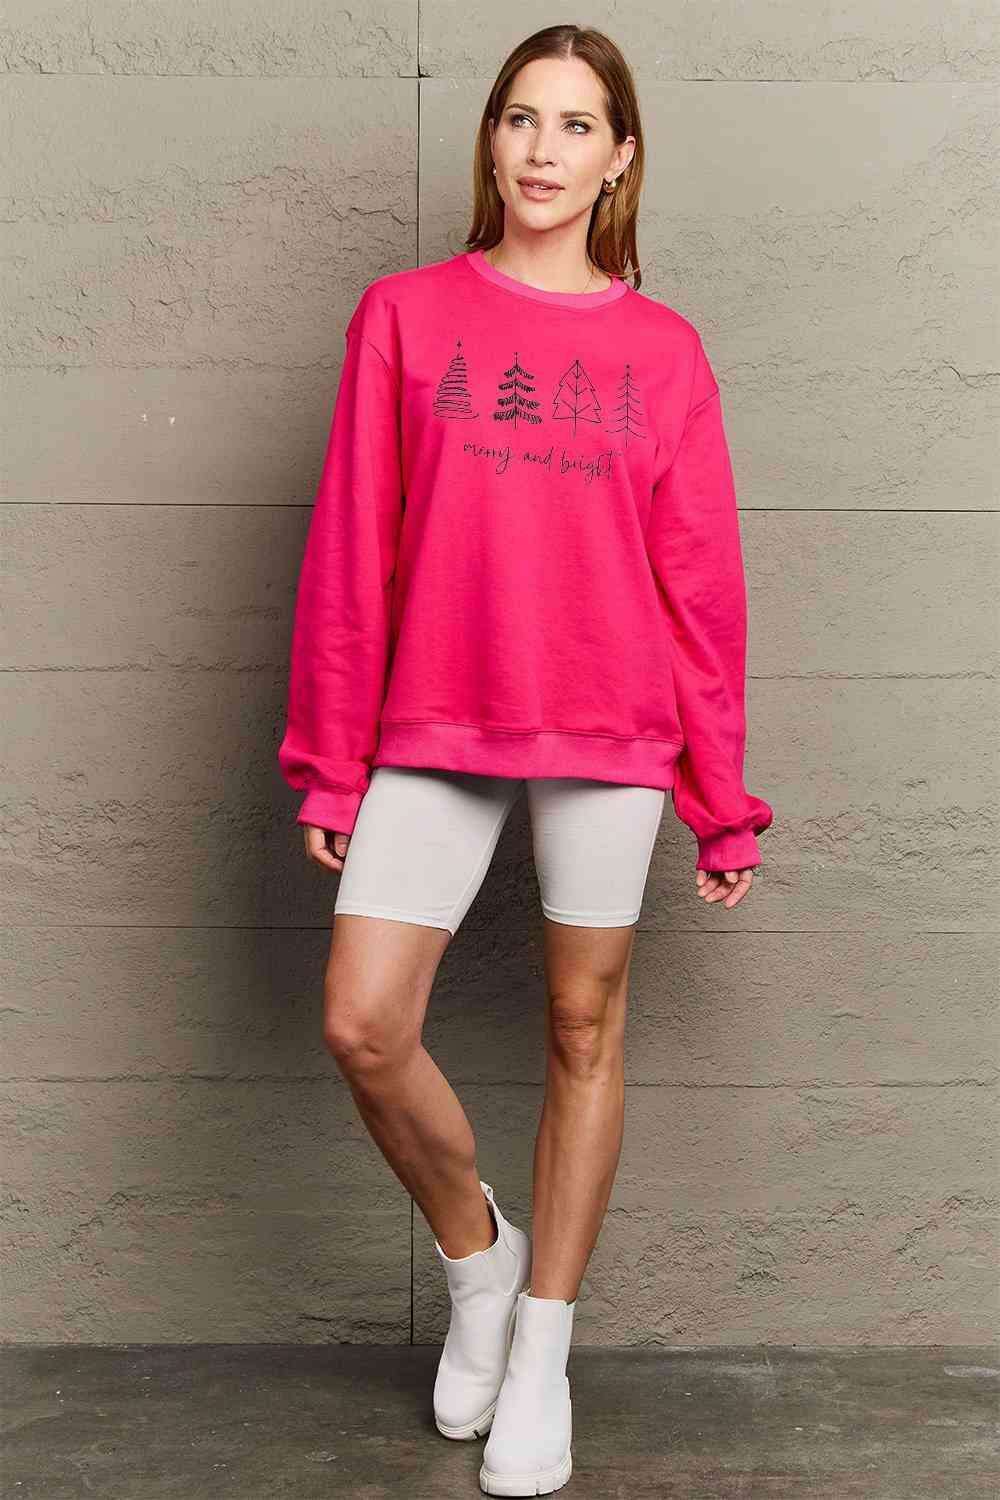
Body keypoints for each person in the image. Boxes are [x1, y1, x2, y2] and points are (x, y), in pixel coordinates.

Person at [277, 22, 774, 1497]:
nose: (543, 151)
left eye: (576, 126)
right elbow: (352, 547)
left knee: (581, 1027)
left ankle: (542, 1346)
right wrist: (330, 761)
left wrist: (722, 800)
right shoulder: (405, 317)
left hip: (612, 725)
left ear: (620, 158)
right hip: (435, 716)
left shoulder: (664, 352)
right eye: (520, 119)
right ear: (490, 139)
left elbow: (701, 587)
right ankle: (479, 1260)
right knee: (364, 1024)